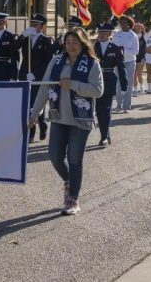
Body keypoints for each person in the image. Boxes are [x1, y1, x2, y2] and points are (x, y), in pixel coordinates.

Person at [29, 27, 104, 216]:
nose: (71, 46)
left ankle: (72, 199)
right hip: (59, 117)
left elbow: (97, 91)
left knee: (75, 160)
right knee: (54, 156)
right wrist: (34, 114)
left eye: (75, 42)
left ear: (83, 43)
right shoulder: (56, 62)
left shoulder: (92, 64)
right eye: (68, 42)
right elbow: (45, 90)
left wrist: (73, 85)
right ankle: (69, 181)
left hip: (81, 120)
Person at [13, 13, 57, 143]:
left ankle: (41, 124)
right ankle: (31, 132)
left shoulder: (47, 40)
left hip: (38, 77)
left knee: (35, 103)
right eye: (31, 23)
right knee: (26, 104)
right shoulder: (25, 37)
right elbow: (13, 48)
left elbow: (48, 61)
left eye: (36, 24)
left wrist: (35, 74)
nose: (33, 26)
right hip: (24, 74)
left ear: (42, 26)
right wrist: (22, 36)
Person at [94, 22, 127, 145]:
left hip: (109, 79)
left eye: (104, 32)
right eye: (100, 32)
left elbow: (121, 67)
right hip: (95, 80)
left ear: (110, 33)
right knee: (98, 109)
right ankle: (105, 134)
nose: (101, 35)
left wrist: (124, 85)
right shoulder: (93, 47)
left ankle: (104, 137)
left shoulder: (116, 48)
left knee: (106, 108)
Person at [111, 15, 138, 113]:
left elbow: (136, 51)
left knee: (128, 84)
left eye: (124, 23)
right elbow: (113, 47)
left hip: (130, 62)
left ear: (129, 24)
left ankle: (126, 106)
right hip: (118, 62)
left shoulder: (133, 35)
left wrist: (123, 50)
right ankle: (119, 105)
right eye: (121, 23)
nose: (122, 25)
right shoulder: (116, 35)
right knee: (118, 83)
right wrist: (118, 52)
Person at [132, 22, 146, 96]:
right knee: (134, 74)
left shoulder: (144, 36)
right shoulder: (132, 36)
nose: (137, 28)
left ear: (142, 28)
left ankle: (141, 88)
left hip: (141, 58)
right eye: (136, 27)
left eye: (139, 27)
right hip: (133, 57)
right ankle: (135, 90)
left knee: (139, 74)